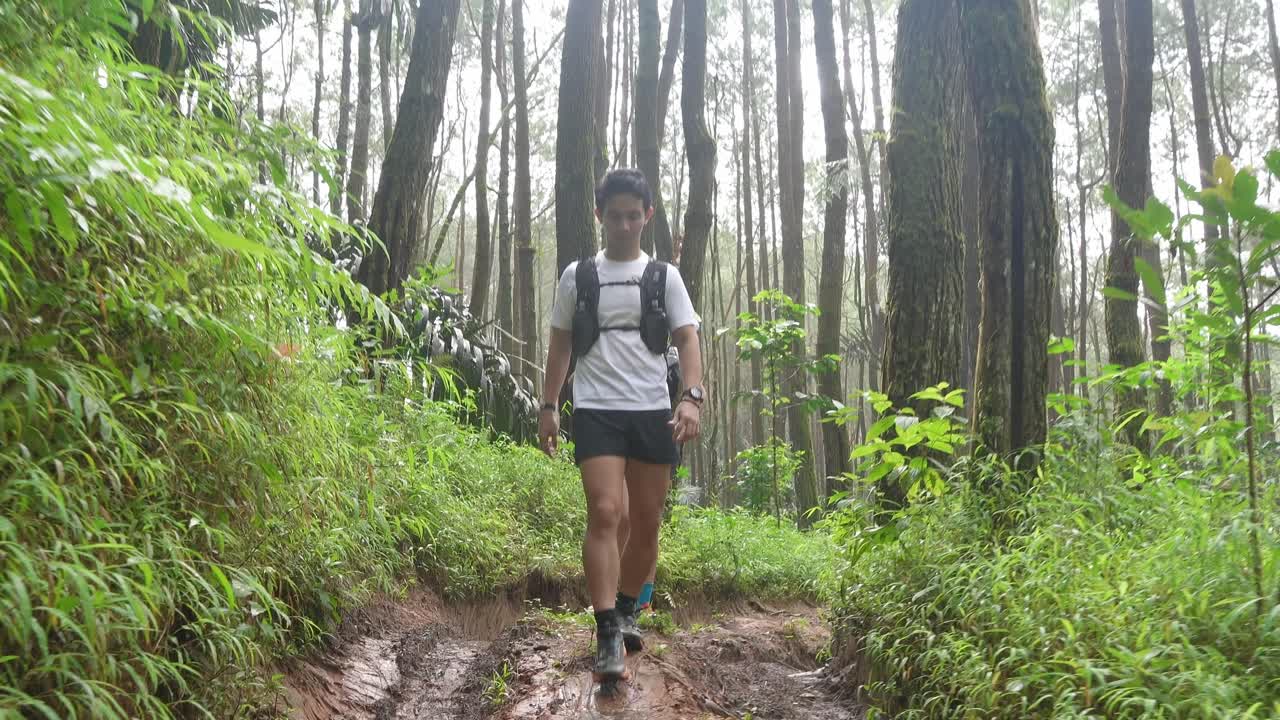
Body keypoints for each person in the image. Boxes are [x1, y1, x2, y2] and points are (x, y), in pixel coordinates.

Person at [538, 168, 705, 684]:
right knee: (606, 510)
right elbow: (561, 345)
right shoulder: (578, 276)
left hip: (652, 409)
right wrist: (548, 406)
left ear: (647, 216)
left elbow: (687, 338)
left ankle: (629, 607)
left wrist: (692, 397)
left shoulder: (664, 277)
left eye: (634, 216)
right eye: (615, 216)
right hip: (596, 408)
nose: (625, 225)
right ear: (600, 216)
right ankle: (607, 627)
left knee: (647, 521)